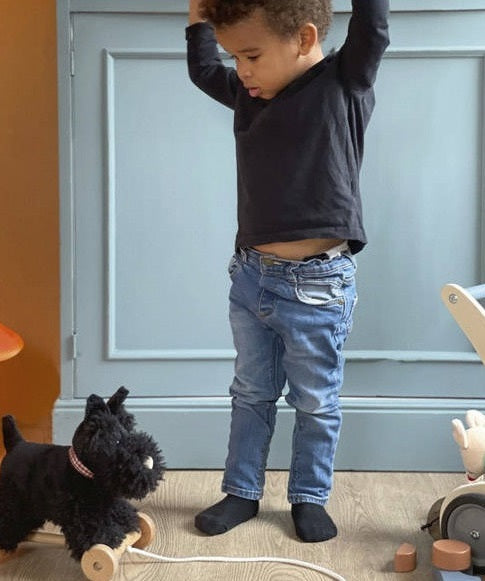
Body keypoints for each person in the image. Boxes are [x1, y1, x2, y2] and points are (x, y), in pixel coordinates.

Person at [186, 0, 389, 542]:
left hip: (319, 286)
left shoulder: (343, 83)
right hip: (251, 278)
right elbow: (203, 69)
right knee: (250, 393)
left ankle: (309, 497)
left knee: (316, 401)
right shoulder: (247, 96)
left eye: (251, 56)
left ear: (303, 39)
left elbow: (372, 28)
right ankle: (241, 491)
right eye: (235, 57)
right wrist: (198, 16)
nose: (241, 71)